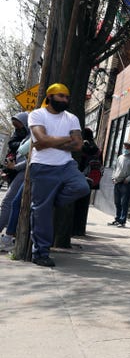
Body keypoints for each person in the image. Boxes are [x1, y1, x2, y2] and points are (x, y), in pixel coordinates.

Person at [27, 83, 91, 267]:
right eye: (61, 96)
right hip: (42, 167)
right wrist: (65, 139)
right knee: (41, 213)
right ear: (50, 96)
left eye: (67, 97)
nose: (65, 100)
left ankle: (48, 202)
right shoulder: (37, 114)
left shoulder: (71, 118)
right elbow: (41, 139)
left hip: (66, 165)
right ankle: (40, 253)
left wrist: (48, 141)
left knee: (82, 187)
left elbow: (78, 145)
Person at [0, 114, 30, 251]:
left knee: (9, 202)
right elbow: (15, 151)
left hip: (24, 172)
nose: (17, 129)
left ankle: (9, 236)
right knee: (14, 204)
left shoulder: (33, 136)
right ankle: (10, 236)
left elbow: (30, 158)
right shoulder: (24, 136)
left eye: (18, 125)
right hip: (18, 172)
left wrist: (15, 167)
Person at [73, 127, 103, 236]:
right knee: (84, 204)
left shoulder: (82, 146)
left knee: (75, 203)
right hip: (91, 180)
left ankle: (73, 228)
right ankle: (80, 229)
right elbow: (100, 165)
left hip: (78, 177)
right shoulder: (97, 149)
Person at [108, 141, 130, 228]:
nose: (125, 149)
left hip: (126, 183)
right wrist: (113, 177)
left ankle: (122, 221)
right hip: (117, 182)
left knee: (124, 203)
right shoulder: (120, 157)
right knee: (117, 202)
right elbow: (115, 168)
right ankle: (117, 219)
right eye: (124, 147)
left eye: (127, 147)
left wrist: (128, 179)